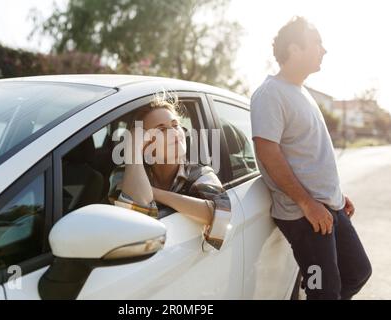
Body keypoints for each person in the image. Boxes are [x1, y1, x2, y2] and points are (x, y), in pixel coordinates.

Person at [250, 16, 371, 299]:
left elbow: (308, 153)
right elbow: (267, 151)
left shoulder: (301, 92)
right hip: (305, 216)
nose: (324, 50)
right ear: (293, 49)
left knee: (358, 272)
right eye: (317, 43)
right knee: (323, 293)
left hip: (329, 206)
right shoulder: (270, 94)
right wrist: (307, 202)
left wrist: (336, 195)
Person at [108, 93, 231, 250]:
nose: (174, 132)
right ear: (144, 143)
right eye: (161, 129)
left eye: (175, 125)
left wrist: (155, 193)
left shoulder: (199, 173)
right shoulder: (123, 175)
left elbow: (220, 213)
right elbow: (132, 217)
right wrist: (133, 152)